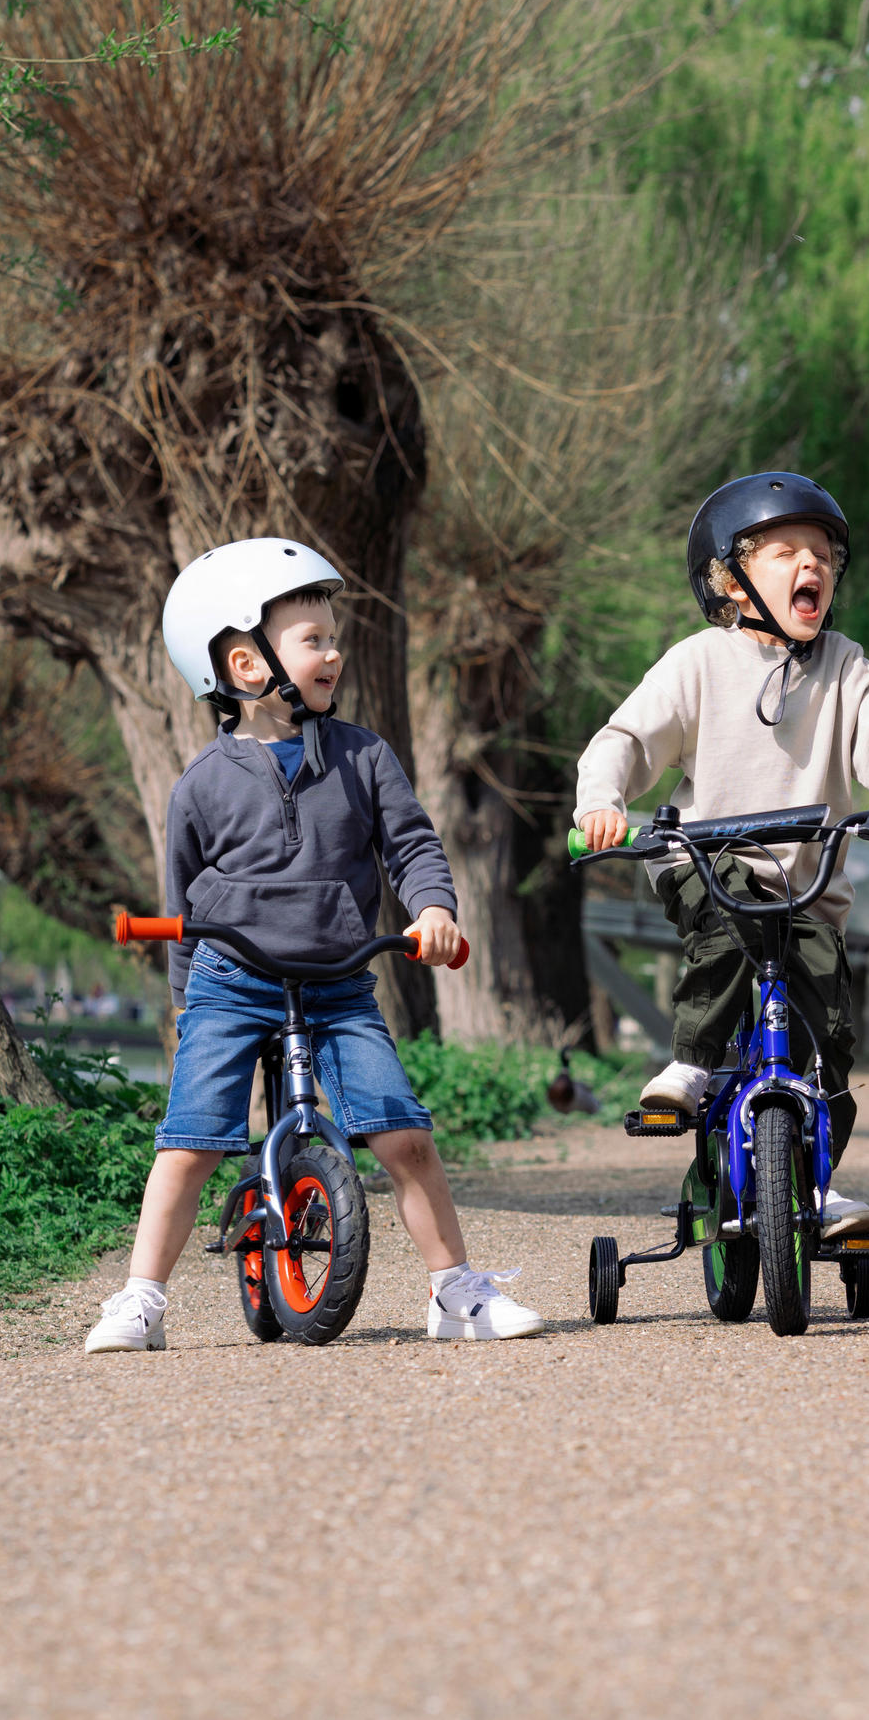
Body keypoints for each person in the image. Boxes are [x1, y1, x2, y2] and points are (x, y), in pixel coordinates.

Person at [85, 540, 542, 1353]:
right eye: (312, 638)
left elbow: (411, 845)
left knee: (403, 1134)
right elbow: (179, 897)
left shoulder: (364, 756)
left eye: (335, 636)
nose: (333, 652)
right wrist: (188, 999)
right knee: (188, 1143)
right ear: (245, 664)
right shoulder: (202, 783)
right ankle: (140, 1299)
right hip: (232, 981)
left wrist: (432, 907)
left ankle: (454, 1292)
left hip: (337, 980)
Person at [574, 473, 869, 1243]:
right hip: (705, 863)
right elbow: (628, 741)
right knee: (728, 919)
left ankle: (816, 1180)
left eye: (825, 555)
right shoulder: (699, 662)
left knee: (827, 1040)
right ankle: (692, 1061)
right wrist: (602, 802)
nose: (814, 566)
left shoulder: (845, 666)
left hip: (804, 886)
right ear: (731, 583)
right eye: (788, 552)